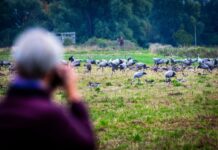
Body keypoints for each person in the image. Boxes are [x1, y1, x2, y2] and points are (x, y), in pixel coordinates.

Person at [0, 28, 96, 149]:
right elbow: (86, 144)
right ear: (53, 70)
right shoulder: (52, 116)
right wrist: (73, 94)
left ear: (17, 65)